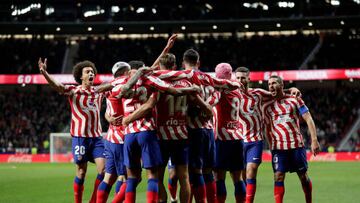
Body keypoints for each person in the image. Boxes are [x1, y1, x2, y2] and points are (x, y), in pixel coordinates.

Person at [113, 67, 200, 203]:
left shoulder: (120, 84)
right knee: (155, 176)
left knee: (131, 177)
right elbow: (174, 91)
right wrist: (191, 89)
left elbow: (118, 92)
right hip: (150, 132)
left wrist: (126, 119)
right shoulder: (152, 81)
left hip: (130, 133)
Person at [38, 58, 105, 203]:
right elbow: (58, 86)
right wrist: (45, 73)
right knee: (81, 173)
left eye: (92, 71)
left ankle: (94, 201)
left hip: (97, 139)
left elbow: (116, 85)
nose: (91, 73)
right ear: (81, 76)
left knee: (104, 171)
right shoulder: (74, 91)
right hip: (80, 138)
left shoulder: (99, 91)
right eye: (87, 71)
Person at [235, 67, 300, 203]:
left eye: (243, 78)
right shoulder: (232, 95)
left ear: (249, 79)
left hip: (255, 140)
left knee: (251, 170)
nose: (241, 81)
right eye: (238, 78)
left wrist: (291, 90)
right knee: (242, 176)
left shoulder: (258, 93)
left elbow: (276, 93)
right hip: (238, 140)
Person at [262, 75, 320, 203]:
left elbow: (308, 118)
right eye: (269, 84)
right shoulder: (267, 106)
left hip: (296, 146)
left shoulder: (295, 100)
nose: (271, 86)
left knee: (303, 177)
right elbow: (267, 128)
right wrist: (270, 145)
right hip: (279, 149)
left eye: (274, 83)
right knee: (278, 177)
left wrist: (314, 140)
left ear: (282, 85)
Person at [96, 62, 147, 203]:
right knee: (130, 177)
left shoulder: (111, 86)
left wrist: (110, 118)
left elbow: (107, 112)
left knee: (109, 177)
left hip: (110, 137)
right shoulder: (122, 86)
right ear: (126, 72)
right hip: (121, 138)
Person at [214, 63, 246, 203]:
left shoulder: (219, 90)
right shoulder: (238, 89)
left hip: (221, 138)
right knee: (237, 178)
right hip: (237, 138)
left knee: (219, 178)